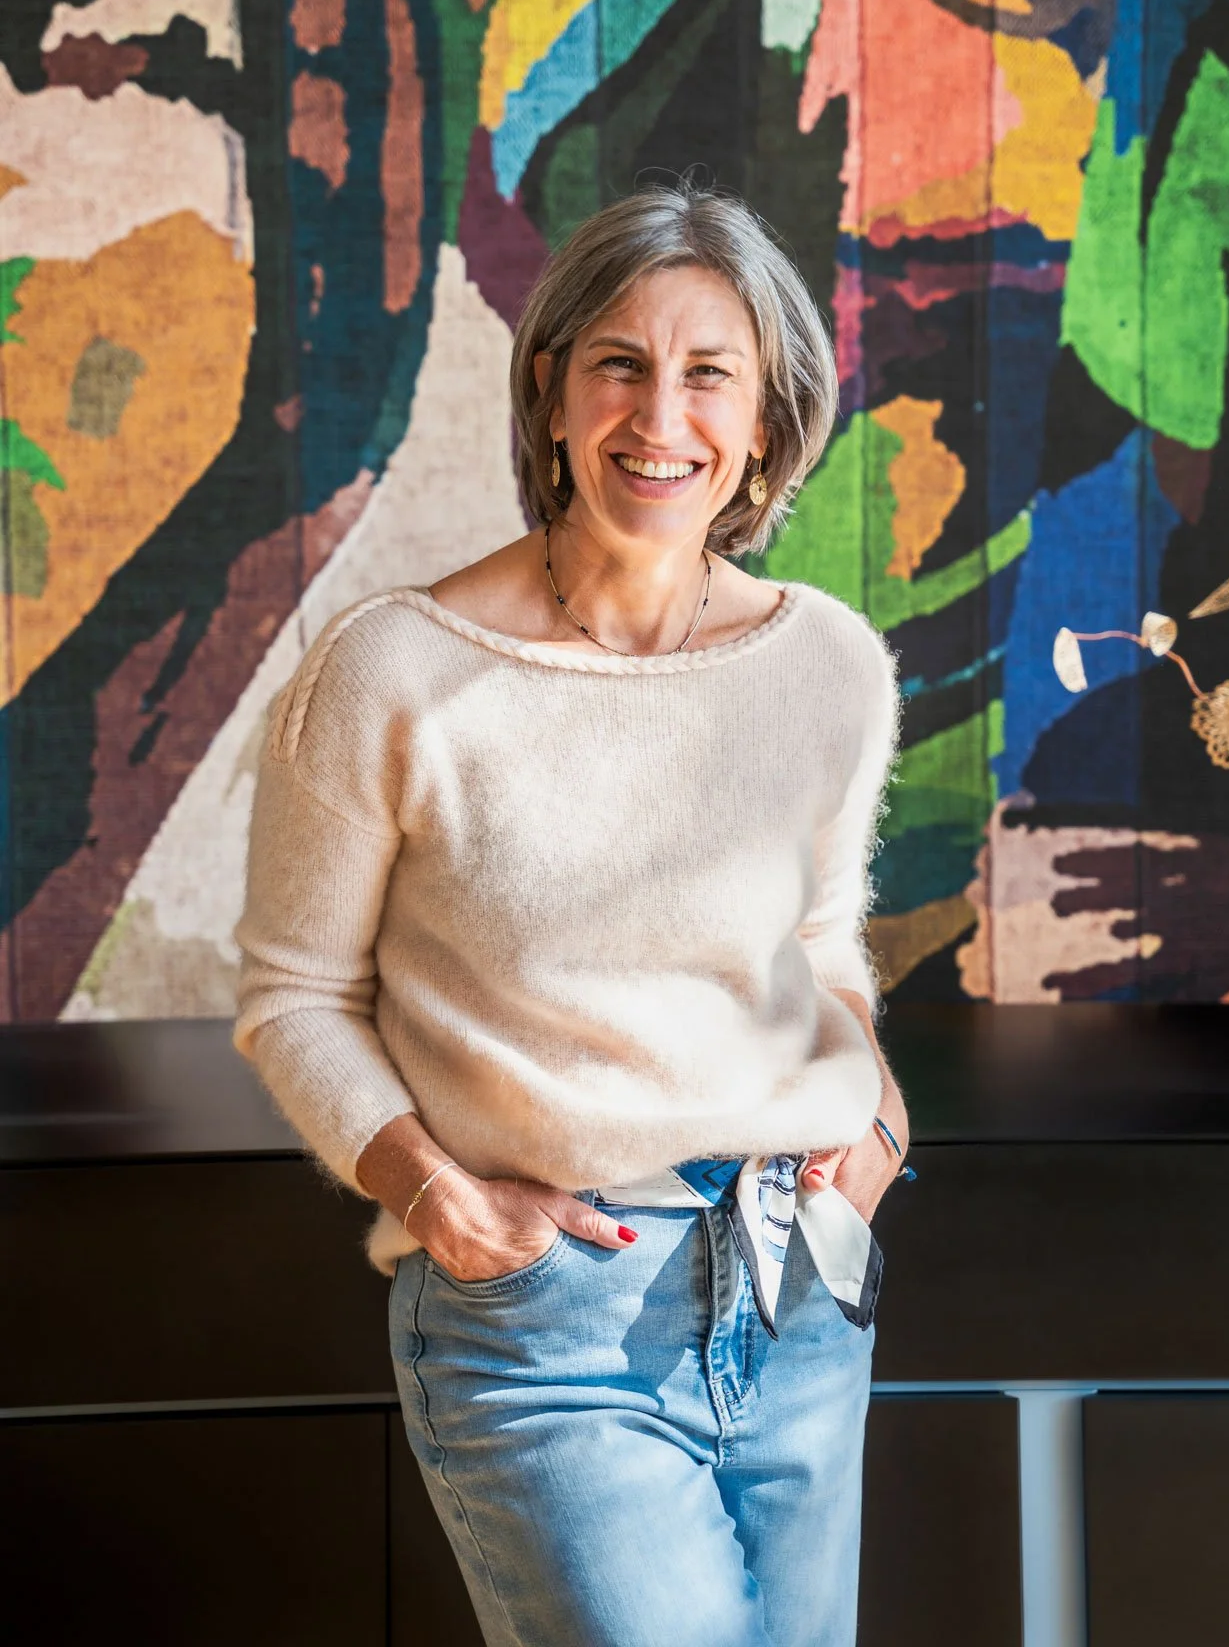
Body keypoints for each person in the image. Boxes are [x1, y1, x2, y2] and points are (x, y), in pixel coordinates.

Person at [233, 183, 907, 1647]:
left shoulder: (830, 665)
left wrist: (876, 1111)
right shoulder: (395, 672)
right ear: (549, 391)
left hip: (799, 1278)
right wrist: (434, 1193)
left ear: (766, 422)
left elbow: (816, 944)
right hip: (550, 1320)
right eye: (620, 363)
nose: (661, 415)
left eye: (709, 373)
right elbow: (295, 997)